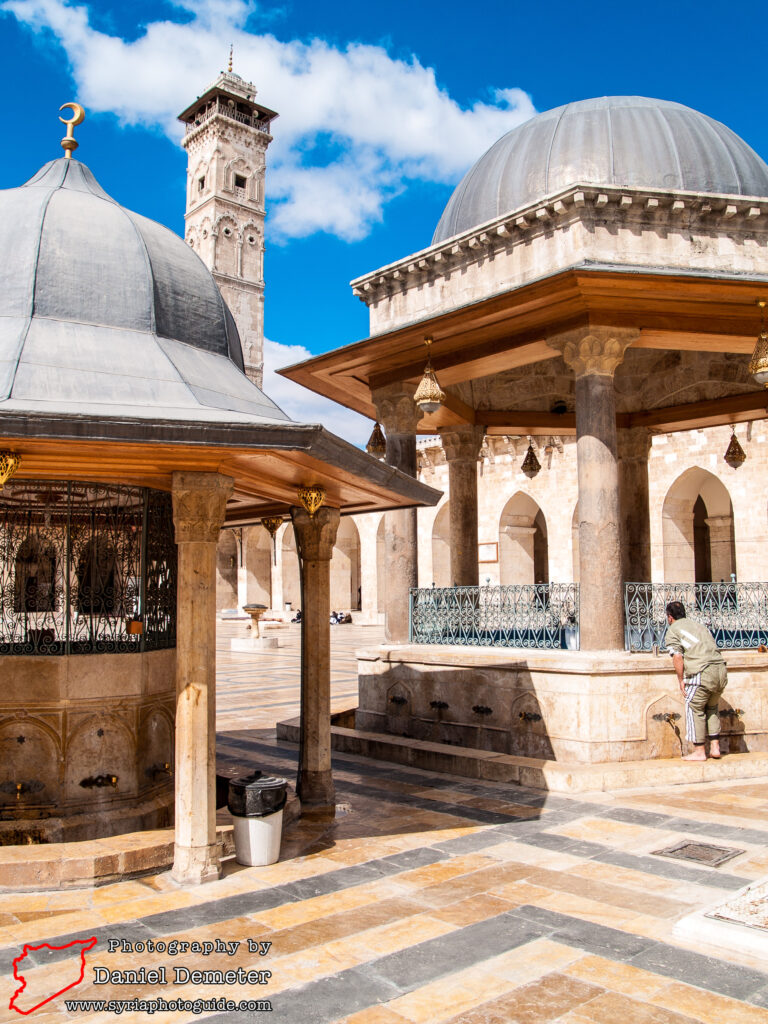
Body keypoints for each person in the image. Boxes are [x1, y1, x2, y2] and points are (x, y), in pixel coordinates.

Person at [664, 601, 728, 761]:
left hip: (702, 671)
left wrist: (681, 680)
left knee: (694, 708)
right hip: (720, 670)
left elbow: (677, 656)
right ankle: (715, 748)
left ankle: (699, 751)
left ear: (669, 617)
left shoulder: (673, 630)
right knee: (712, 708)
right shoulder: (699, 626)